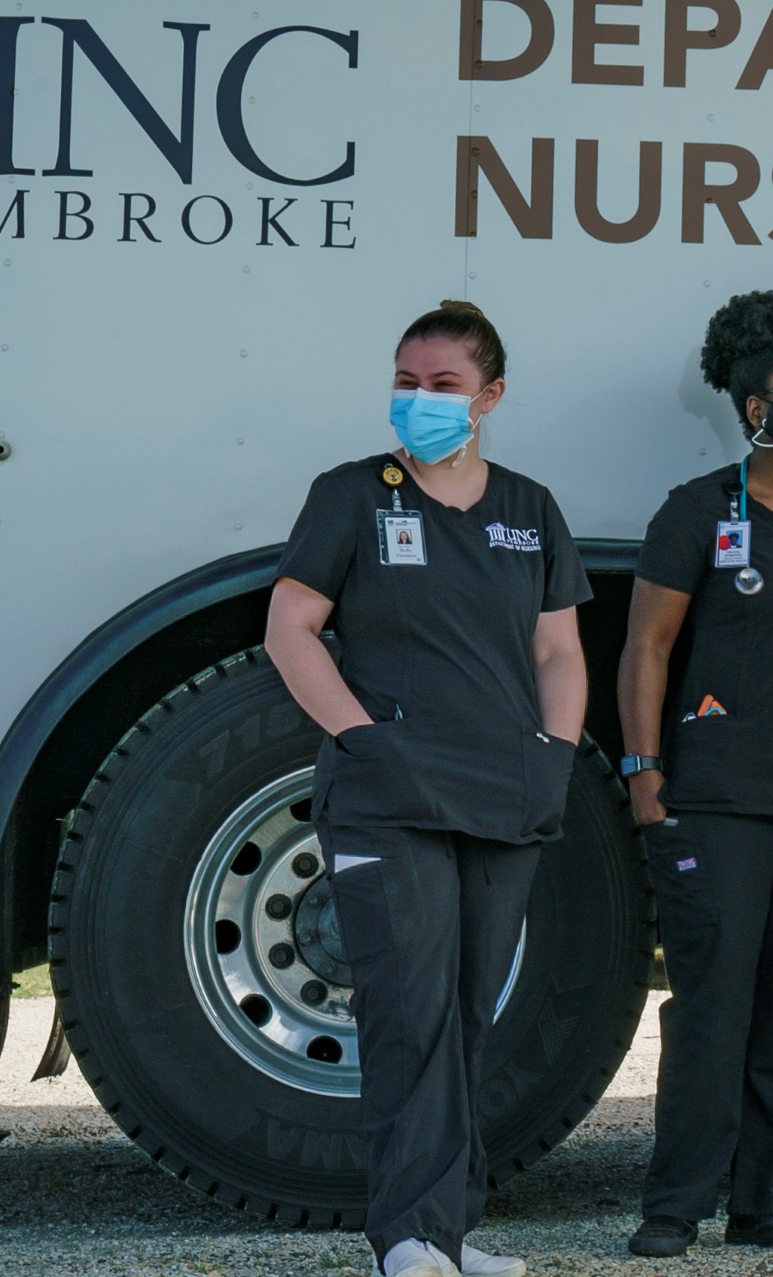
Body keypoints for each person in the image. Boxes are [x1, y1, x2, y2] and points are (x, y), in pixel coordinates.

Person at [263, 301, 587, 1277]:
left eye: (443, 386)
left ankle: (447, 1231)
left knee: (465, 1016)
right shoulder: (353, 497)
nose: (419, 401)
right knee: (409, 1013)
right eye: (407, 382)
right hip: (388, 797)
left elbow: (560, 651)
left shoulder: (529, 510)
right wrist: (361, 739)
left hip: (504, 798)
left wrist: (554, 758)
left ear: (489, 398)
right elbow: (290, 629)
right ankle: (405, 1241)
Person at [617, 291, 773, 1259]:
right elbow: (646, 648)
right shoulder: (698, 514)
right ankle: (673, 1207)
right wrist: (646, 773)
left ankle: (765, 1206)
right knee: (713, 1011)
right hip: (716, 802)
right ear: (757, 410)